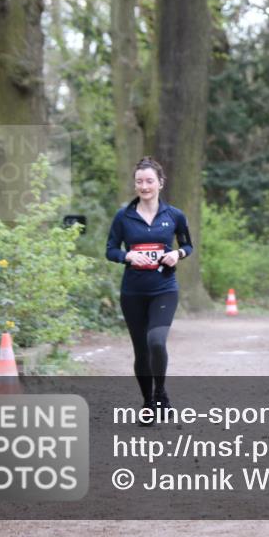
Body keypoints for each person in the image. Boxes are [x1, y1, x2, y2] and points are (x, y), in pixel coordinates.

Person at [106, 156, 193, 425]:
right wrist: (128, 257)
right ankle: (148, 403)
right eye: (139, 182)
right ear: (135, 185)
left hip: (164, 288)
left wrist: (177, 254)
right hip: (132, 292)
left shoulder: (175, 215)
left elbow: (188, 246)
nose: (144, 186)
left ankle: (161, 394)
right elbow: (111, 250)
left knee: (156, 341)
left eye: (149, 181)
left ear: (160, 184)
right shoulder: (124, 216)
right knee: (141, 352)